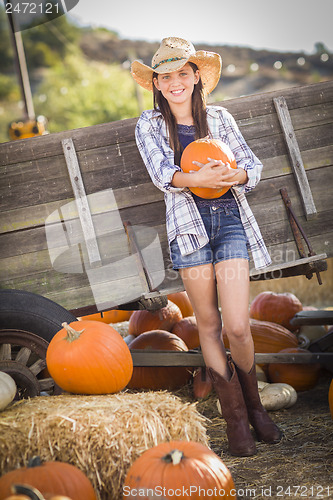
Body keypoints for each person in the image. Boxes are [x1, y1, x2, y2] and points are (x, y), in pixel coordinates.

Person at [131, 37, 282, 456]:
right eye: (166, 76)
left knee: (238, 325)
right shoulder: (149, 124)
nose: (176, 82)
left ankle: (258, 411)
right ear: (157, 84)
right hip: (190, 229)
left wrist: (230, 177)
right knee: (209, 324)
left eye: (183, 73)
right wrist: (200, 179)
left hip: (230, 223)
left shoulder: (220, 118)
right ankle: (235, 420)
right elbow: (164, 174)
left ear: (197, 77)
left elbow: (250, 166)